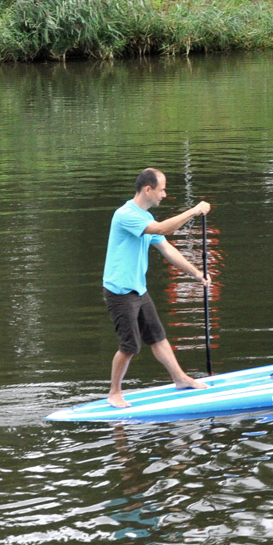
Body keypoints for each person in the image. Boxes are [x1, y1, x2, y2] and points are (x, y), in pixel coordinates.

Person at [103, 167, 212, 408]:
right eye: (162, 190)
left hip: (138, 289)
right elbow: (163, 229)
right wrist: (194, 210)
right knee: (129, 346)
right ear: (148, 189)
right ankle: (114, 393)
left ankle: (181, 379)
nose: (164, 194)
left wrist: (196, 273)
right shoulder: (125, 215)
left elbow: (167, 249)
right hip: (120, 292)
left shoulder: (146, 217)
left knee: (158, 336)